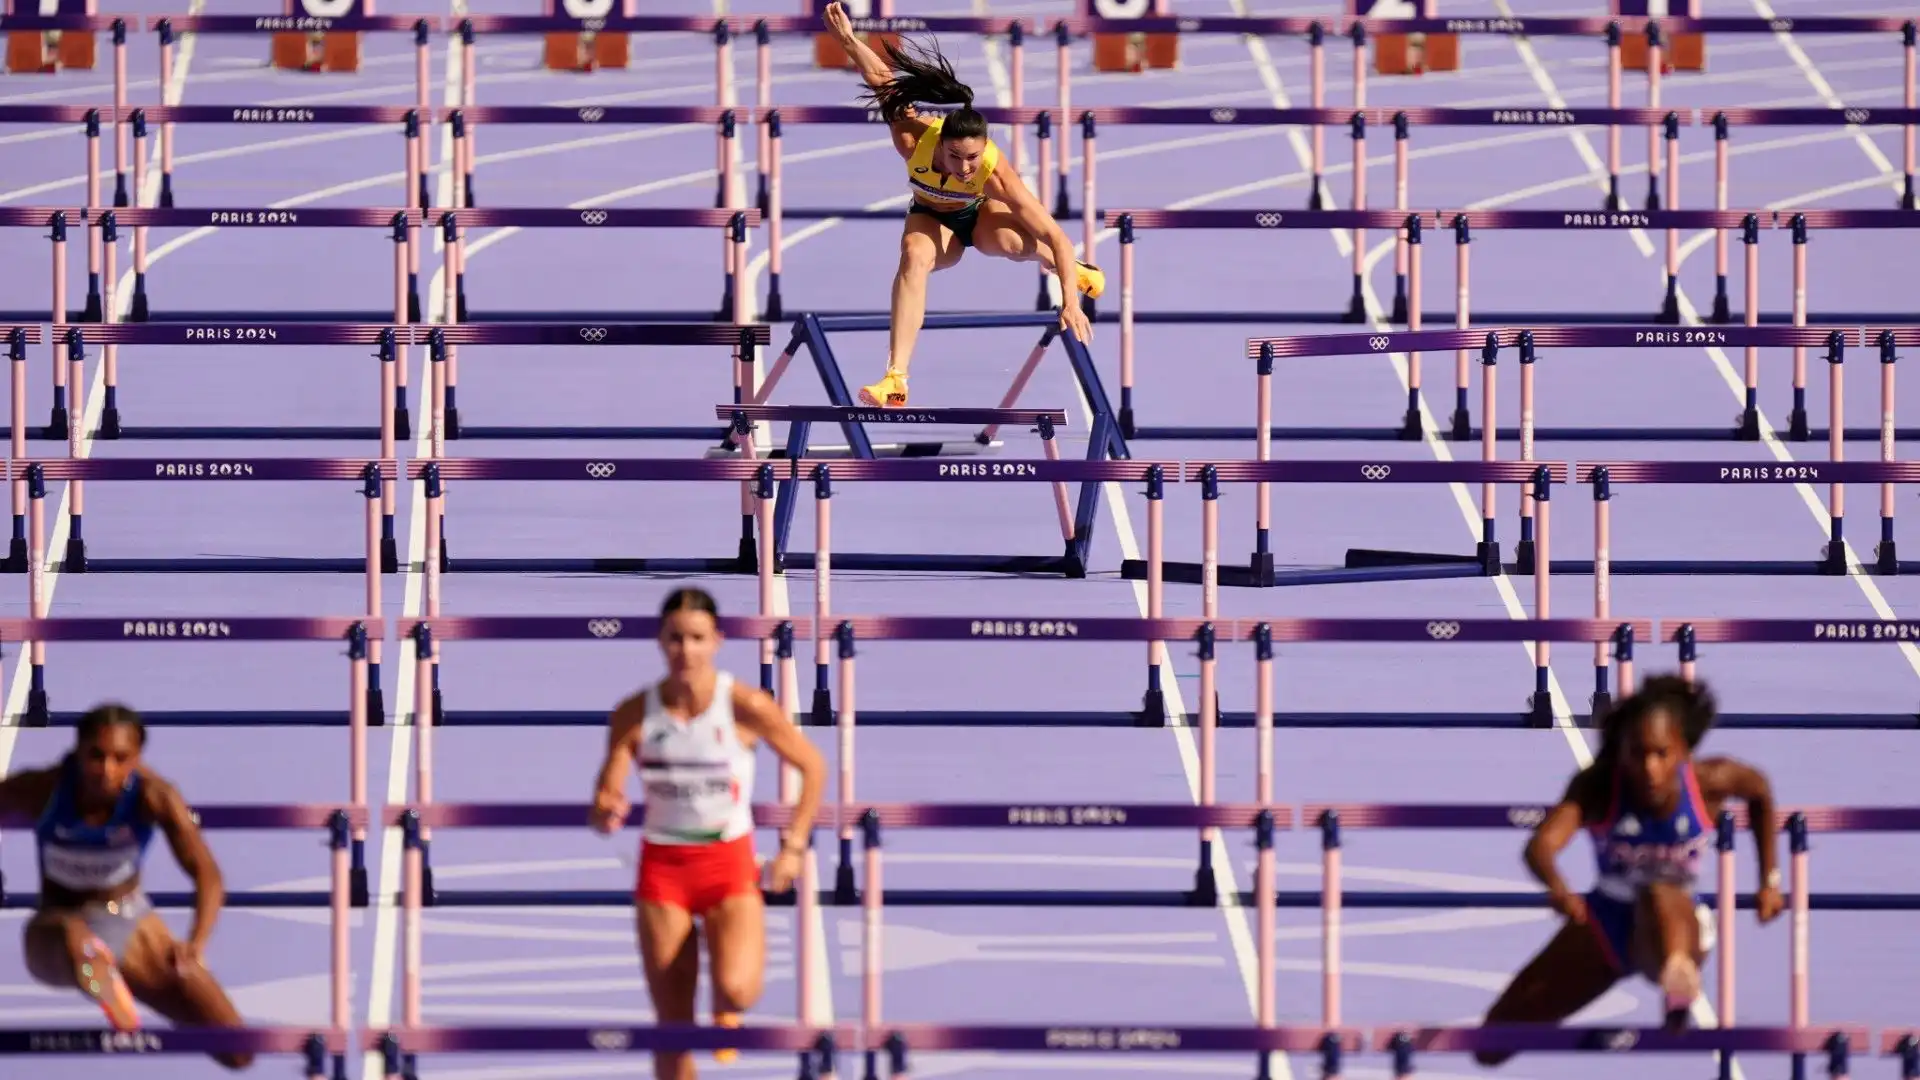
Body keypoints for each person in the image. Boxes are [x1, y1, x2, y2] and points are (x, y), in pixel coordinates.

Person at [1475, 676, 1784, 1066]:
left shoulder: (1710, 780)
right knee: (1490, 1044)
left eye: (1661, 754)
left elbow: (1760, 792)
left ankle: (1678, 979)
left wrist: (1769, 880)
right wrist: (1557, 885)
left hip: (1679, 924)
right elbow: (1541, 846)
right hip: (1606, 920)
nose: (1649, 768)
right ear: (1621, 752)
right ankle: (1672, 973)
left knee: (1657, 892)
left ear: (1683, 753)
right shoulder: (1598, 787)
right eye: (1638, 754)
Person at [590, 587, 826, 1080]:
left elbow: (812, 766)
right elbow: (604, 797)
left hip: (728, 866)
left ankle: (726, 1003)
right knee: (673, 1029)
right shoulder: (633, 713)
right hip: (664, 871)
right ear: (660, 642)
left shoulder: (745, 706)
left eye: (697, 638)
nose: (686, 651)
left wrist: (794, 848)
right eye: (675, 639)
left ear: (717, 641)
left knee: (739, 988)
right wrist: (607, 809)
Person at [821, 1, 1102, 410]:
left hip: (979, 216)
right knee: (913, 255)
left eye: (973, 158)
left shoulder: (995, 175)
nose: (966, 167)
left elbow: (1056, 234)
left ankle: (1076, 272)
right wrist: (848, 40)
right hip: (932, 218)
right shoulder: (913, 136)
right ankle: (896, 380)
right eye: (956, 158)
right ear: (941, 146)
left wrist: (1070, 301)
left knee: (1008, 242)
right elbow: (882, 78)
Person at [0, 704, 251, 1070]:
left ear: (136, 759)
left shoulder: (156, 795)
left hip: (129, 920)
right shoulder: (44, 789)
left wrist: (195, 944)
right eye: (96, 756)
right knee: (80, 943)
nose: (106, 770)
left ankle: (116, 975)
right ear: (77, 752)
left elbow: (207, 873)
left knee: (237, 1050)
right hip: (57, 926)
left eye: (120, 759)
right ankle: (106, 987)